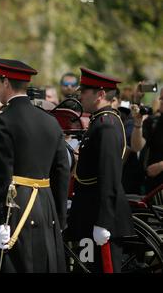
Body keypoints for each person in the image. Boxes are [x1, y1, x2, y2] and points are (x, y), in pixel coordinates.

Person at [0, 58, 69, 273]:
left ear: (5, 82)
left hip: (17, 206)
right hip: (47, 205)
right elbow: (62, 171)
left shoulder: (3, 120)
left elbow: (1, 175)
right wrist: (60, 217)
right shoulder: (50, 121)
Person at [67, 67, 134, 273]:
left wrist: (104, 221)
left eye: (85, 90)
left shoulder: (106, 125)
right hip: (89, 212)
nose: (80, 94)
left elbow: (110, 176)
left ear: (101, 94)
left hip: (99, 215)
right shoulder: (99, 121)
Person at [130, 87, 163, 193]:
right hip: (153, 188)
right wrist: (138, 124)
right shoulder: (153, 121)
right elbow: (136, 147)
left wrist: (161, 165)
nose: (160, 100)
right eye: (161, 97)